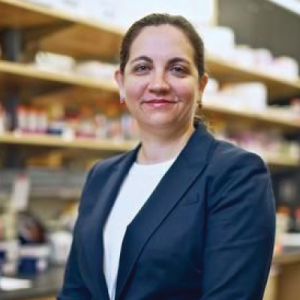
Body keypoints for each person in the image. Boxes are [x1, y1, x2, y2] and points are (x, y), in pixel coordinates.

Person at [58, 13, 275, 300]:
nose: (158, 83)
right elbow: (77, 291)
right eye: (142, 68)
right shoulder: (102, 176)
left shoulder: (236, 175)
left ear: (201, 86)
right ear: (122, 83)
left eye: (177, 69)